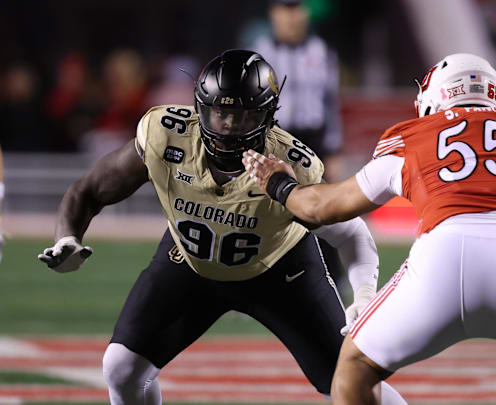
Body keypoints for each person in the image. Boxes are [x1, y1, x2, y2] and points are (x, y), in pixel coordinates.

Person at [244, 53, 496, 405]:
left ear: (434, 97)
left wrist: (279, 182)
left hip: (446, 255)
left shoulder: (412, 137)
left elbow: (322, 208)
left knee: (355, 365)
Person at [37, 49, 406, 405]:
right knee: (120, 367)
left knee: (349, 380)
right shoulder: (166, 136)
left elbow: (351, 232)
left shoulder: (292, 163)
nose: (227, 127)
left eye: (241, 117)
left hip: (280, 271)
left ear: (267, 115)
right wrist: (67, 237)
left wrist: (363, 295)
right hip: (190, 264)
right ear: (199, 108)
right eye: (217, 114)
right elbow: (89, 190)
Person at [252, 0, 343, 179]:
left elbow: (331, 102)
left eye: (297, 8)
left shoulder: (321, 51)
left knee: (318, 200)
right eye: (287, 8)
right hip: (275, 140)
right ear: (274, 13)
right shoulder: (260, 53)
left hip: (314, 142)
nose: (293, 16)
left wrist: (334, 148)